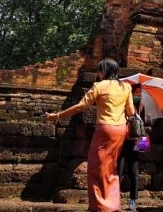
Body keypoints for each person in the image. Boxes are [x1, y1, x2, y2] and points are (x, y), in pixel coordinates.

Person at [46, 58, 135, 212]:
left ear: (104, 71)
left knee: (95, 167)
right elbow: (131, 112)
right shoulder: (126, 87)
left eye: (99, 71)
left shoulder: (99, 86)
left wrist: (58, 115)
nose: (98, 74)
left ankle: (100, 206)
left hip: (105, 128)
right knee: (111, 167)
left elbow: (81, 106)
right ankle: (113, 205)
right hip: (121, 129)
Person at [117, 84, 143, 211]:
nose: (138, 95)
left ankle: (133, 200)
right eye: (137, 93)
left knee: (133, 173)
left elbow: (141, 127)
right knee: (118, 172)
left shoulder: (140, 108)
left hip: (134, 143)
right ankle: (115, 199)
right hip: (121, 142)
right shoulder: (121, 106)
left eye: (140, 93)